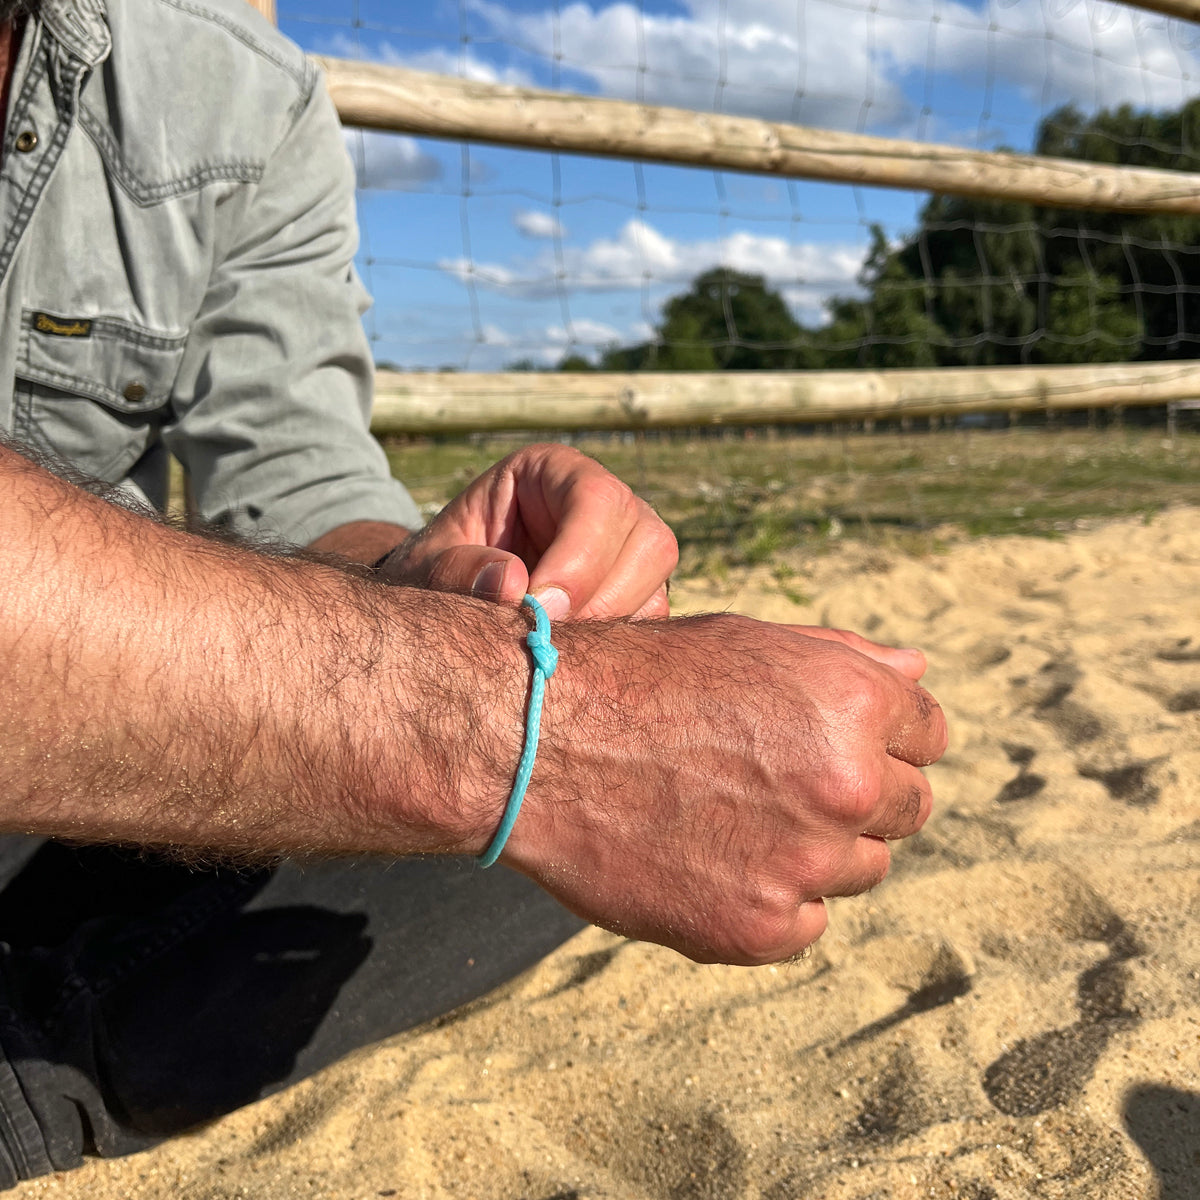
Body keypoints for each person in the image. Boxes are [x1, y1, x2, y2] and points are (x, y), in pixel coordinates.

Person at [0, 0, 947, 1186]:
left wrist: (433, 589)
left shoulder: (240, 98)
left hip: (83, 751)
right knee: (567, 798)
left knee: (575, 854)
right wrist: (524, 730)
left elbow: (294, 476)